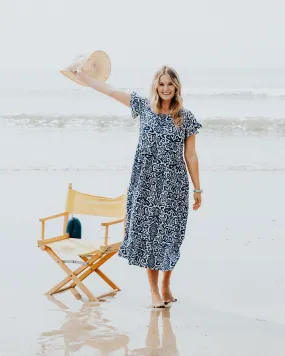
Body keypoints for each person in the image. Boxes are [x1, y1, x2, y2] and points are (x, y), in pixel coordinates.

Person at [71, 65, 202, 308]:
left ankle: (165, 284)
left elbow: (191, 156)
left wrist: (197, 189)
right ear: (155, 86)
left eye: (169, 84)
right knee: (149, 237)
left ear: (176, 87)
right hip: (145, 184)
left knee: (170, 238)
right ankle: (154, 292)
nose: (165, 88)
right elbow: (110, 91)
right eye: (161, 84)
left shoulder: (185, 117)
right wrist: (86, 78)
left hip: (174, 186)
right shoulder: (143, 107)